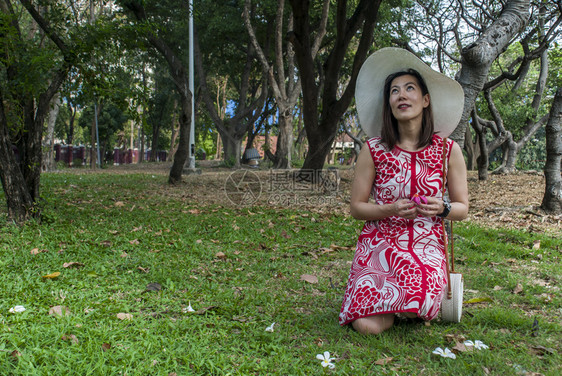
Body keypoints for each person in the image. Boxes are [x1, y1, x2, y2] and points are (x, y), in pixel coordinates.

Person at [339, 48, 469, 335]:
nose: (401, 95)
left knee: (414, 300)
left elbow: (462, 209)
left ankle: (408, 303)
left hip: (426, 245)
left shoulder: (448, 151)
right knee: (366, 327)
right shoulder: (373, 150)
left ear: (425, 100)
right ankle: (391, 304)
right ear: (389, 104)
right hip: (380, 246)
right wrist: (390, 209)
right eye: (394, 91)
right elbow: (356, 208)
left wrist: (443, 208)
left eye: (410, 88)